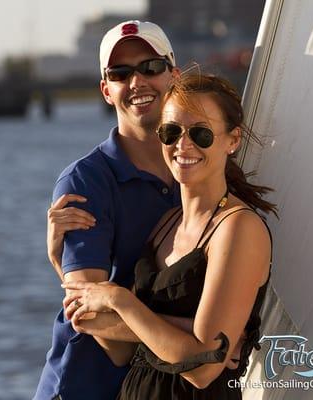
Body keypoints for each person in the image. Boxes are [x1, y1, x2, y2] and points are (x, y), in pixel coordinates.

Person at [61, 72, 277, 398]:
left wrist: (120, 301)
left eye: (201, 133)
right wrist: (184, 333)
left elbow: (203, 366)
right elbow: (106, 337)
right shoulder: (166, 224)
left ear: (232, 140)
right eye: (171, 131)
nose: (183, 144)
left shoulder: (237, 229)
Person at [33, 20, 185, 400]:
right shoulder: (84, 184)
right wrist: (195, 338)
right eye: (121, 73)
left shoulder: (201, 165)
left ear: (174, 74)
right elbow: (92, 320)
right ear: (106, 90)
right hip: (84, 388)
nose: (138, 82)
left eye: (150, 67)